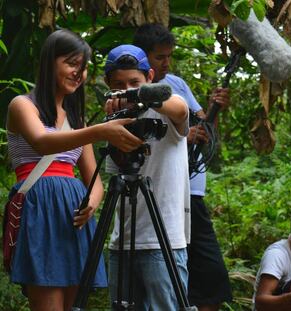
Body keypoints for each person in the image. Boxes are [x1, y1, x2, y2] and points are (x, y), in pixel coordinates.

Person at [5, 29, 142, 311]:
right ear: (49, 63)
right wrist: (100, 130)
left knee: (75, 306)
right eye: (71, 63)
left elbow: (94, 180)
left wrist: (91, 203)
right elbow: (43, 142)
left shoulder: (75, 119)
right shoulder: (22, 105)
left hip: (73, 218)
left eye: (83, 68)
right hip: (40, 213)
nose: (78, 73)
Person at [133, 23, 233, 311]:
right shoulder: (130, 89)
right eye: (159, 57)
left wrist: (214, 110)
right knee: (168, 276)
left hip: (193, 194)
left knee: (210, 276)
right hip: (164, 194)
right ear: (143, 57)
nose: (166, 63)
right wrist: (182, 134)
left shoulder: (177, 84)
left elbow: (203, 128)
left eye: (169, 56)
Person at [103, 44, 190, 310]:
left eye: (134, 82)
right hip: (123, 240)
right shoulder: (115, 118)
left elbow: (181, 109)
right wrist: (113, 121)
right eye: (119, 84)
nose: (127, 89)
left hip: (163, 240)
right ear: (109, 85)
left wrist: (143, 97)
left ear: (150, 77)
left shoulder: (167, 105)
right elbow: (116, 171)